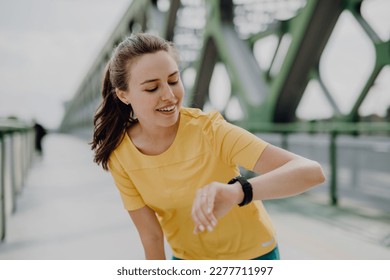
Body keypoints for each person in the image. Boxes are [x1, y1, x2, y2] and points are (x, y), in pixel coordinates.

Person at [90, 33, 325, 260]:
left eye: (173, 80)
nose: (170, 95)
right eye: (152, 88)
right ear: (123, 95)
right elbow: (151, 236)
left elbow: (311, 172)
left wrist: (237, 191)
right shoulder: (121, 155)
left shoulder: (211, 131)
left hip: (254, 257)